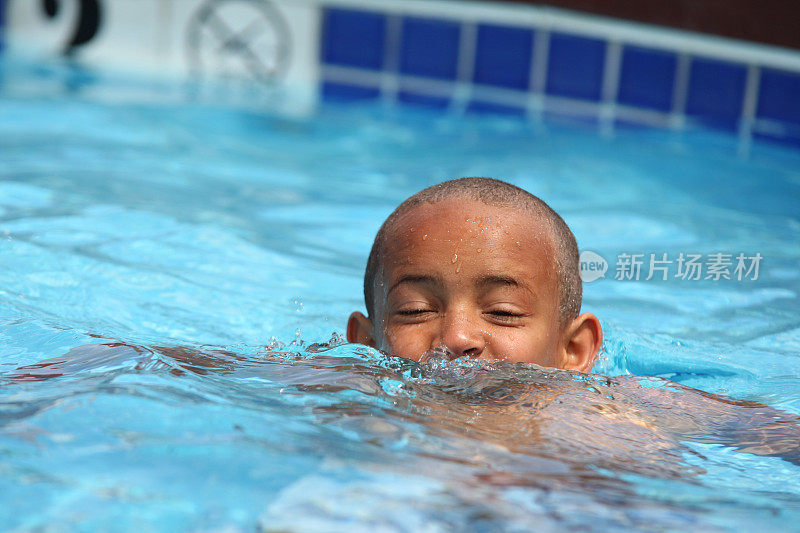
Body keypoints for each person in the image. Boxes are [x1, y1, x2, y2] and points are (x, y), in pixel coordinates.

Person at [347, 176, 602, 372]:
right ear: (366, 344)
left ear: (573, 350)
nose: (456, 338)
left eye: (503, 312)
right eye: (415, 310)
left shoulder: (610, 427)